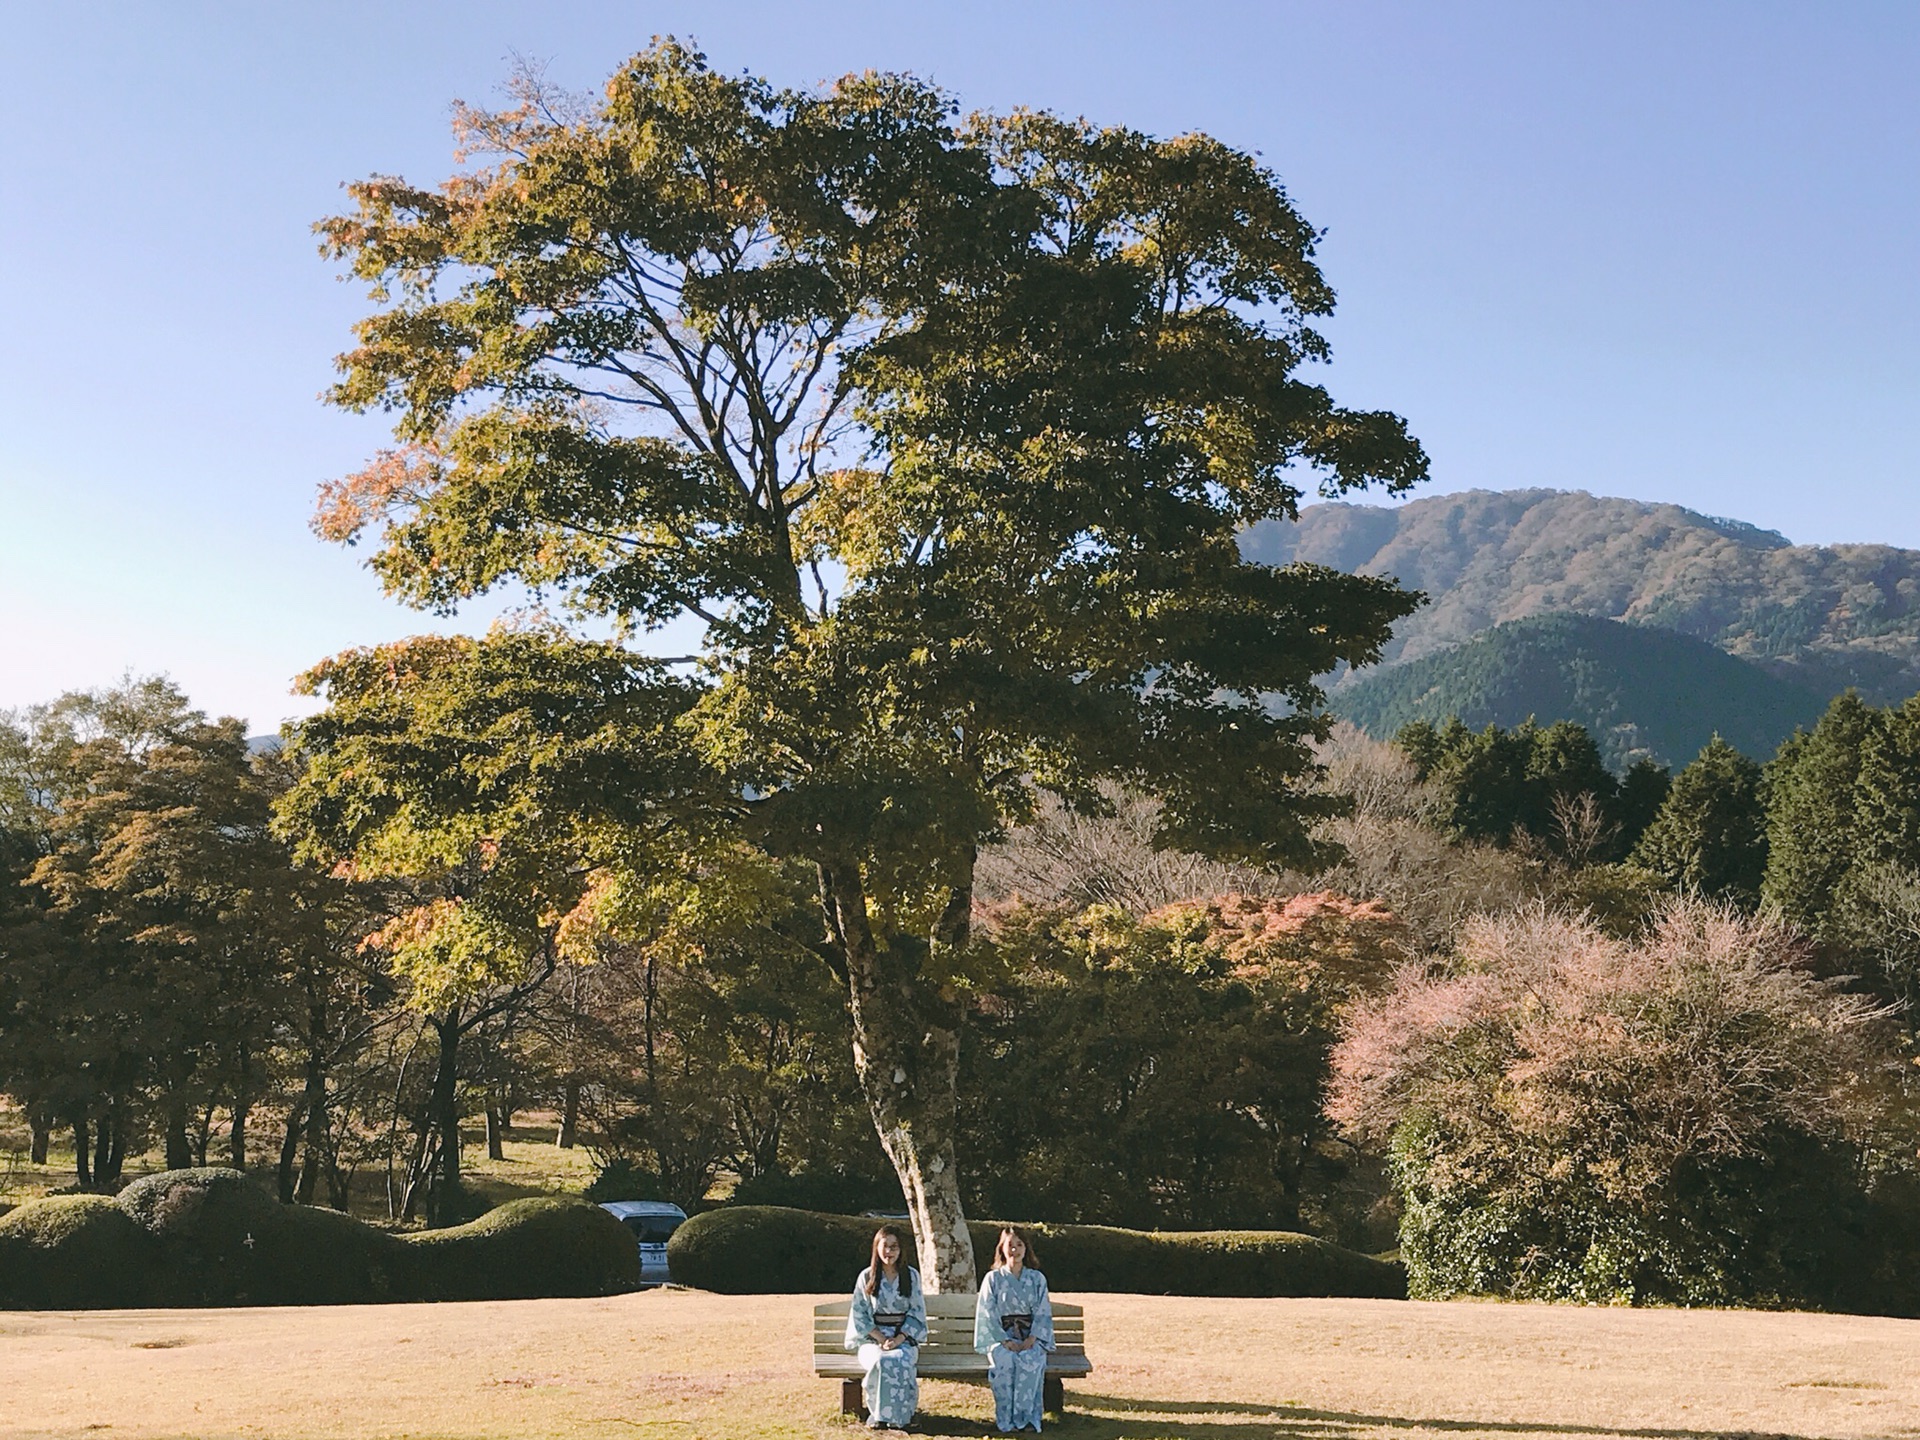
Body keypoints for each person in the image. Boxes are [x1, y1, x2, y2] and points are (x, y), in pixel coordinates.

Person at [845, 1224, 928, 1429]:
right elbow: (860, 1315)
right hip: (872, 1339)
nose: (889, 1251)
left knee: (901, 1359)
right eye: (885, 1246)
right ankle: (878, 1414)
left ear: (901, 1250)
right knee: (881, 1360)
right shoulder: (867, 1277)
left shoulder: (911, 1276)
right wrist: (881, 1339)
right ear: (877, 1248)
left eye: (894, 1247)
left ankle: (902, 1416)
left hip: (903, 1338)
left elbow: (917, 1313)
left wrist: (898, 1339)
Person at [973, 1226, 1054, 1433]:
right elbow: (988, 1313)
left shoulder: (1037, 1279)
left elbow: (1043, 1311)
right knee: (1004, 1362)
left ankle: (1027, 1420)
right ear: (1002, 1249)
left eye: (1019, 1245)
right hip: (1002, 1338)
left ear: (1026, 1249)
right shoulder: (993, 1279)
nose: (1015, 1250)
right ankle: (1006, 1421)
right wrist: (1004, 1340)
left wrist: (1033, 1338)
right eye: (1010, 1245)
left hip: (1030, 1337)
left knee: (1030, 1360)